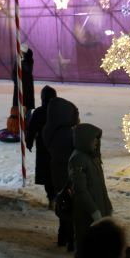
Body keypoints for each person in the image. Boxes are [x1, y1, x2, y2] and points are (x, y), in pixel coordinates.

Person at [67, 122, 112, 258]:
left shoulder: (93, 157)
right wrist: (94, 211)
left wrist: (107, 205)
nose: (97, 142)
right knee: (86, 243)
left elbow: (101, 186)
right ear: (85, 140)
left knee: (99, 245)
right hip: (86, 212)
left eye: (98, 139)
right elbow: (80, 190)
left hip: (99, 208)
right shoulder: (78, 159)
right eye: (94, 139)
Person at [42, 91, 80, 248]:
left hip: (56, 170)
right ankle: (71, 239)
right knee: (71, 206)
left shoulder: (50, 129)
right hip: (68, 172)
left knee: (63, 203)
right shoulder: (66, 133)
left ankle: (62, 236)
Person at [26, 85, 58, 208]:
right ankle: (58, 197)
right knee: (58, 172)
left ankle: (52, 198)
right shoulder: (60, 111)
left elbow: (32, 129)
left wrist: (29, 142)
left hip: (43, 146)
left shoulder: (39, 112)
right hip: (58, 146)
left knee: (47, 174)